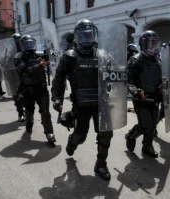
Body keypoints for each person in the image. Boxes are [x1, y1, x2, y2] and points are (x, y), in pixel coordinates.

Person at [51, 19, 113, 180]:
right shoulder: (69, 57)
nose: (87, 38)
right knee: (81, 135)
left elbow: (113, 77)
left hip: (101, 103)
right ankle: (72, 141)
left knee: (105, 134)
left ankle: (101, 164)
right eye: (83, 35)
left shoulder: (103, 55)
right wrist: (56, 98)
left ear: (95, 35)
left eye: (90, 34)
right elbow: (58, 79)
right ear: (77, 37)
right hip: (81, 103)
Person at [125, 30, 163, 158]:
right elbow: (128, 81)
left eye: (155, 43)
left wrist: (163, 85)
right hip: (141, 97)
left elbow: (162, 77)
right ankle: (130, 136)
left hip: (156, 96)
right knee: (145, 125)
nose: (154, 45)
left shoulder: (158, 60)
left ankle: (148, 146)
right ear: (144, 44)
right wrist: (136, 91)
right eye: (151, 43)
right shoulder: (136, 60)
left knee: (153, 124)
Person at [14, 35, 56, 144]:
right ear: (22, 45)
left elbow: (50, 60)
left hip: (41, 88)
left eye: (30, 43)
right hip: (28, 89)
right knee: (29, 110)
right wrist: (39, 66)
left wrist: (50, 55)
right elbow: (24, 71)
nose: (29, 46)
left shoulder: (38, 55)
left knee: (45, 111)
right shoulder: (19, 57)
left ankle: (49, 132)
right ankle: (29, 125)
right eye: (26, 44)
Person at [11, 33, 26, 122]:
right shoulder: (8, 51)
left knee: (26, 96)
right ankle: (20, 113)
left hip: (24, 76)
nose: (16, 43)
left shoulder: (25, 50)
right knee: (16, 97)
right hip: (13, 76)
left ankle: (27, 111)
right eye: (14, 41)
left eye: (17, 41)